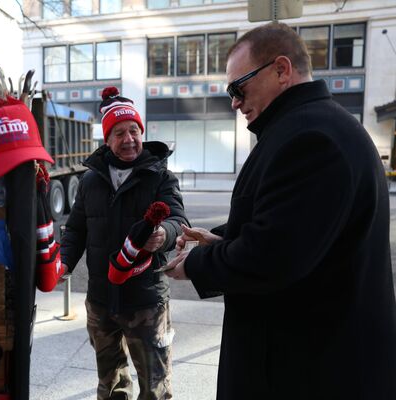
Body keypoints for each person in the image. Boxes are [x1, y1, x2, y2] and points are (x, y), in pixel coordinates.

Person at [165, 21, 396, 399]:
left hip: (311, 371)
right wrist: (221, 238)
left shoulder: (310, 137)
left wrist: (196, 265)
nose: (234, 102)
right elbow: (288, 223)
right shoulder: (312, 126)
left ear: (281, 70)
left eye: (238, 88)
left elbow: (271, 255)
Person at [60, 87, 188, 400]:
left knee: (154, 386)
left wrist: (164, 235)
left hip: (144, 299)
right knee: (110, 382)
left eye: (134, 130)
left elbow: (177, 221)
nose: (129, 138)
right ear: (107, 139)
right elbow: (76, 229)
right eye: (119, 132)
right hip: (101, 299)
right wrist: (63, 262)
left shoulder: (160, 176)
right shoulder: (91, 180)